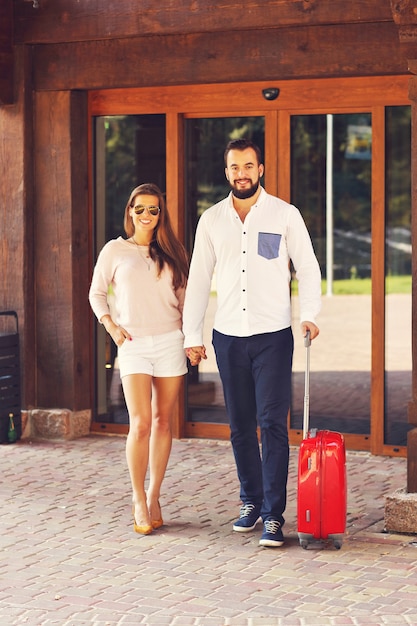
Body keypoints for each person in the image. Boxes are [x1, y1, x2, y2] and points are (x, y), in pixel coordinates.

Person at [183, 139, 321, 548]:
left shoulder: (284, 215)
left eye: (248, 165)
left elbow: (309, 268)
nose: (241, 172)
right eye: (234, 166)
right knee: (241, 426)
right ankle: (250, 501)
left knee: (273, 424)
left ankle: (273, 517)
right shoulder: (211, 220)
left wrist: (310, 314)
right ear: (226, 172)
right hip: (227, 338)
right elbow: (198, 280)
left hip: (273, 337)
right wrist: (192, 336)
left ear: (260, 169)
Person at [89, 183, 188, 535]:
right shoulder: (115, 250)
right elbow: (96, 293)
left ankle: (154, 494)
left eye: (154, 210)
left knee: (163, 422)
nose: (146, 215)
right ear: (130, 211)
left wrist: (192, 340)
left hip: (169, 342)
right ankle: (136, 498)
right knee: (141, 423)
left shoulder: (172, 251)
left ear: (161, 214)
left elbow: (185, 298)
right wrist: (111, 326)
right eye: (140, 208)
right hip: (132, 344)